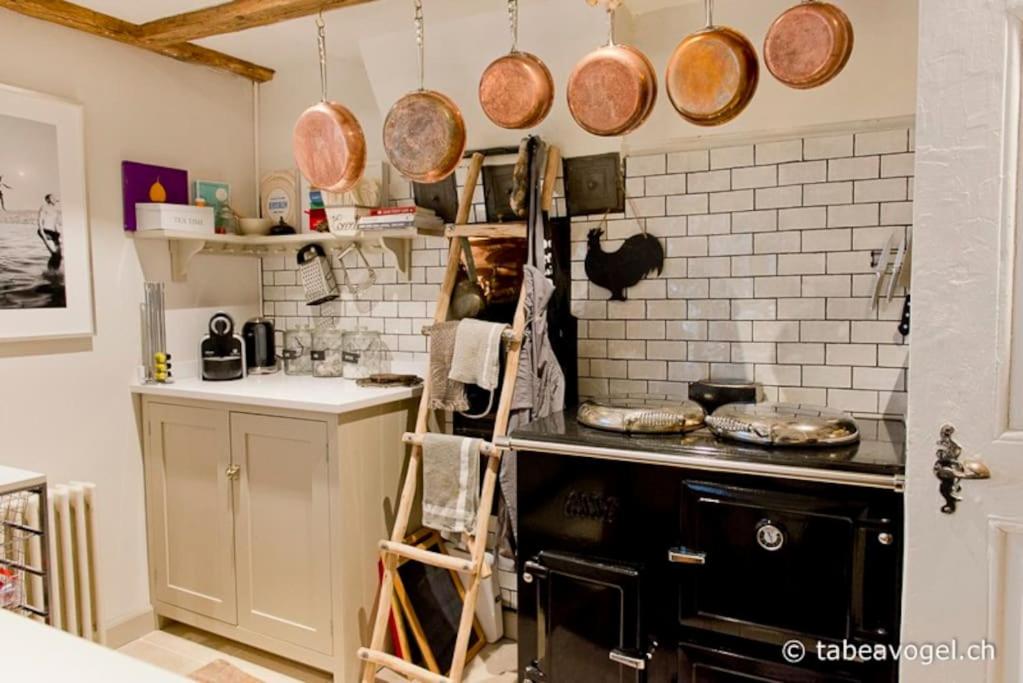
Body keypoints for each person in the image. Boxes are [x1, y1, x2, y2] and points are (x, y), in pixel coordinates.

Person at [36, 194, 62, 270]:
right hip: (45, 231)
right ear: (48, 199)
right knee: (54, 254)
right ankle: (50, 273)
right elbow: (40, 220)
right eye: (52, 197)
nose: (55, 198)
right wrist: (42, 232)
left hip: (55, 234)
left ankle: (55, 271)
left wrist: (59, 234)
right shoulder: (44, 207)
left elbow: (57, 222)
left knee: (59, 256)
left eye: (55, 197)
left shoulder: (56, 209)